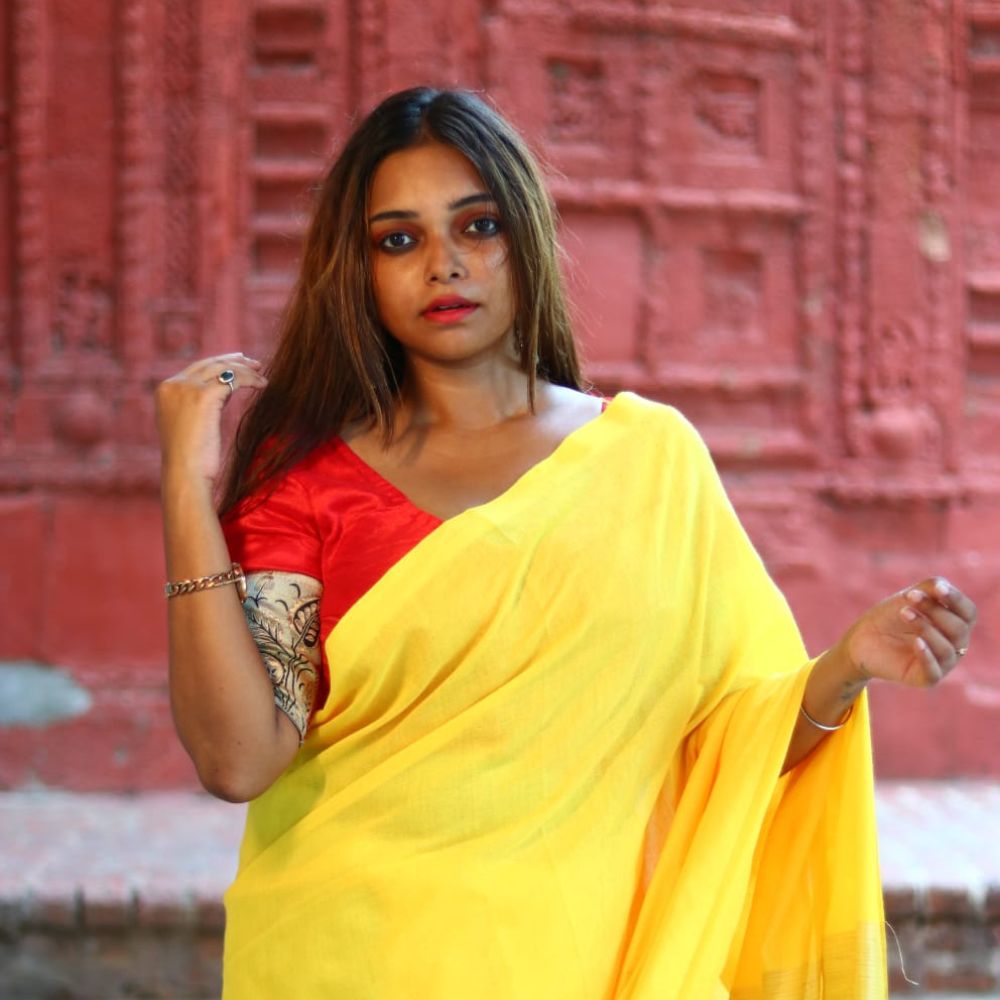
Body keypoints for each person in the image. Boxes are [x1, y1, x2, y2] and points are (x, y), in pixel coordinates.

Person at [155, 87, 976, 998]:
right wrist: (188, 495)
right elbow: (238, 760)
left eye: (477, 227)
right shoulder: (307, 476)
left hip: (581, 963)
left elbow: (722, 753)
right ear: (358, 268)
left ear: (526, 236)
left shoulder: (646, 461)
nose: (443, 265)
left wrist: (848, 664)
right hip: (353, 957)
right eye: (400, 239)